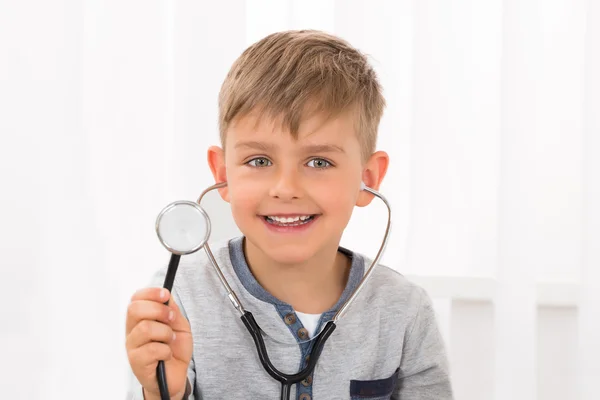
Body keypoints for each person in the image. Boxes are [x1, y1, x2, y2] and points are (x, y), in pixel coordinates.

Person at [125, 29, 453, 400]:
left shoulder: (404, 311)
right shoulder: (180, 299)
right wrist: (163, 393)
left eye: (318, 161)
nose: (285, 187)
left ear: (367, 179)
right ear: (223, 174)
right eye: (259, 160)